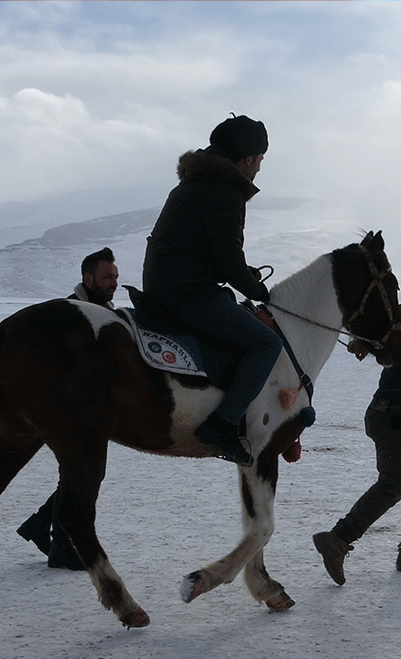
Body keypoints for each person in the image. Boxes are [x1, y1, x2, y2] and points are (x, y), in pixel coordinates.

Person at [141, 114, 282, 467]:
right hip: (186, 292)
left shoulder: (197, 183)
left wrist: (239, 273)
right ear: (248, 159)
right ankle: (222, 424)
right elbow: (230, 262)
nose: (260, 168)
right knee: (267, 343)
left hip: (168, 283)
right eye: (260, 160)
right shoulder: (224, 191)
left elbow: (212, 253)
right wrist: (260, 292)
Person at [312, 264, 401, 584]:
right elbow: (377, 326)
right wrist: (364, 342)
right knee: (393, 485)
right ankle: (337, 539)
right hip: (393, 413)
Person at [15, 248, 121, 570]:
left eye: (116, 277)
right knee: (82, 473)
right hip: (64, 409)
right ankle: (62, 545)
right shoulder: (71, 313)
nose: (114, 283)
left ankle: (39, 525)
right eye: (107, 277)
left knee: (82, 473)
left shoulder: (102, 311)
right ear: (87, 278)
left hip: (87, 409)